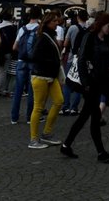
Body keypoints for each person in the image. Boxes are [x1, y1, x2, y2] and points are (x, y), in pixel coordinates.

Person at [60, 13, 109, 162]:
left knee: (85, 116)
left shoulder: (108, 39)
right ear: (101, 24)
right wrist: (85, 83)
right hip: (89, 84)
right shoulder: (90, 37)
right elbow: (82, 59)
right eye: (108, 26)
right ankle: (101, 153)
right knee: (95, 117)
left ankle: (66, 145)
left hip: (99, 82)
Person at [28, 11, 64, 149]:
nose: (57, 23)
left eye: (57, 21)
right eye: (54, 21)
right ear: (48, 22)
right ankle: (33, 139)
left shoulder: (50, 35)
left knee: (59, 101)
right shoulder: (42, 37)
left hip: (51, 75)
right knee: (38, 107)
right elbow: (35, 56)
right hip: (41, 76)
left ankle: (47, 133)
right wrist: (52, 62)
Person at [10, 7, 41, 125]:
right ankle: (29, 117)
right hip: (33, 62)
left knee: (18, 89)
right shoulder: (40, 30)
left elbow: (14, 47)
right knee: (32, 90)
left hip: (21, 61)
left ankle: (14, 117)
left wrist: (22, 51)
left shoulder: (22, 29)